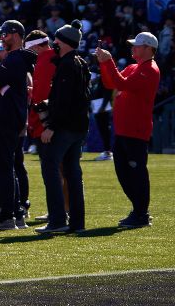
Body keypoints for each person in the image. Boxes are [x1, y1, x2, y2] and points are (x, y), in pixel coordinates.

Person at [98, 34, 160, 228]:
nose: (133, 48)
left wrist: (109, 61)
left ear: (148, 48)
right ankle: (139, 210)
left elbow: (122, 84)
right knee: (124, 172)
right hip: (124, 130)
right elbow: (111, 83)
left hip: (135, 130)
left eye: (137, 46)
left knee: (136, 173)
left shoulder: (149, 69)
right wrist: (104, 63)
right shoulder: (136, 67)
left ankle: (141, 213)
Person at [35, 21, 90, 234]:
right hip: (78, 127)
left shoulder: (67, 65)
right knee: (73, 173)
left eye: (57, 40)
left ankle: (57, 219)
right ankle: (77, 222)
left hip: (65, 127)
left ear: (66, 42)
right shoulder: (80, 62)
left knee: (51, 166)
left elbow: (65, 101)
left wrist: (51, 126)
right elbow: (74, 99)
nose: (54, 43)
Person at [0, 21, 35, 230]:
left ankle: (7, 216)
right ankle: (15, 213)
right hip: (10, 119)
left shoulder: (14, 60)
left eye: (4, 35)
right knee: (9, 167)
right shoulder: (16, 59)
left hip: (6, 120)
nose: (1, 39)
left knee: (3, 168)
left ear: (15, 35)